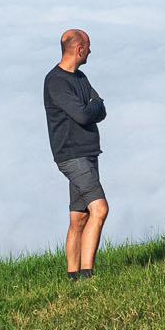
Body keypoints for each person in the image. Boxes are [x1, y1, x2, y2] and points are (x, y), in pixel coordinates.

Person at [44, 29, 109, 279]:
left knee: (79, 218)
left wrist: (92, 106)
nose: (90, 51)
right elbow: (86, 113)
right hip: (72, 156)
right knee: (100, 209)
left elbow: (99, 107)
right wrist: (92, 106)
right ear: (79, 48)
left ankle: (72, 278)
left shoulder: (80, 78)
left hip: (88, 153)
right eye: (89, 46)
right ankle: (87, 276)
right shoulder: (56, 82)